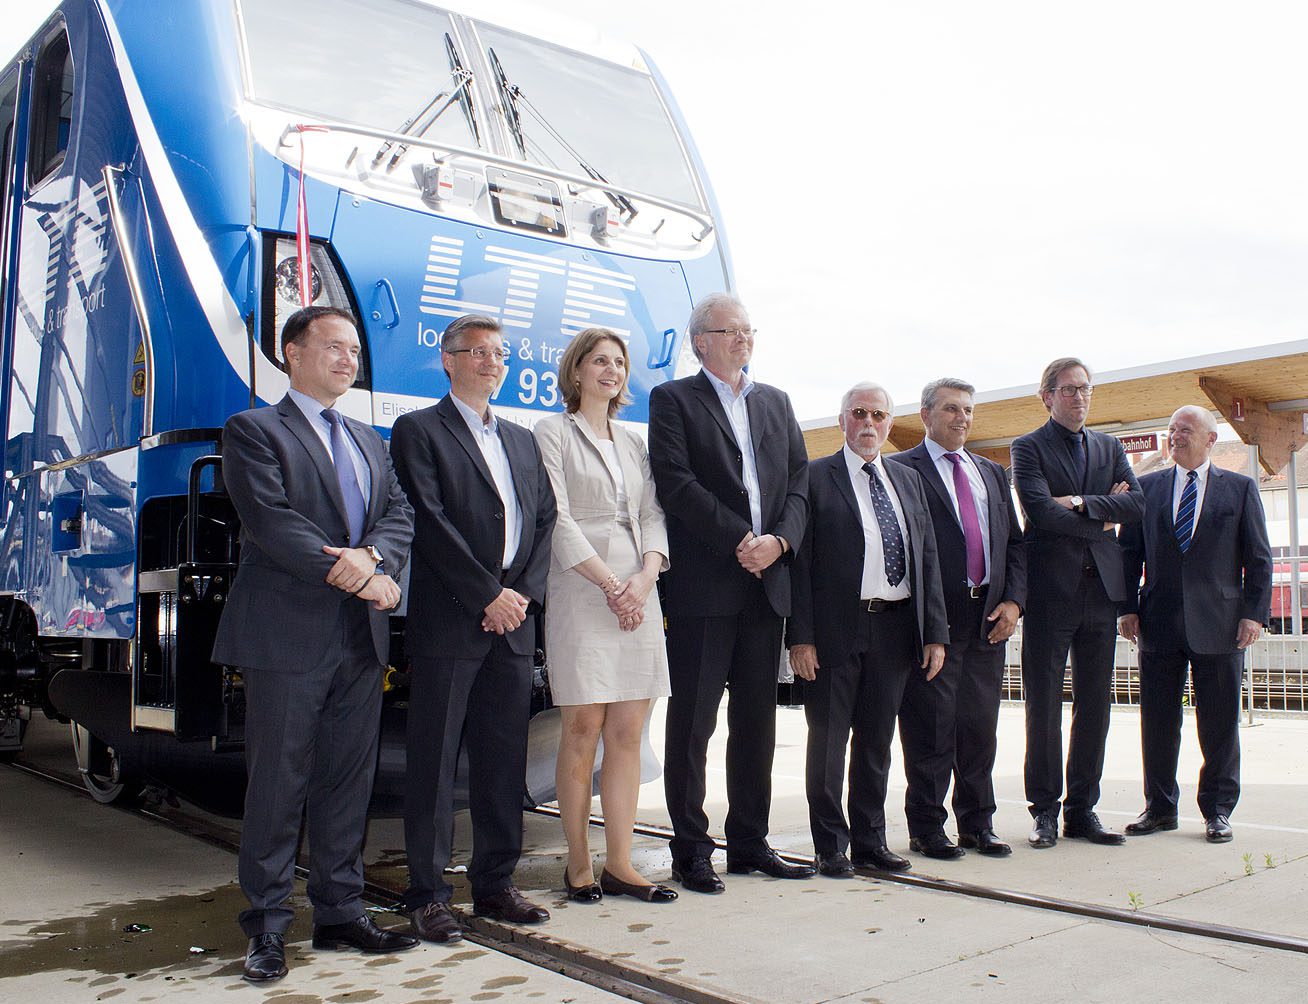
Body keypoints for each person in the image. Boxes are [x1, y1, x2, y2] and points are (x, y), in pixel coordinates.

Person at [212, 306, 417, 983]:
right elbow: (271, 519)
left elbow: (397, 513)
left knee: (344, 784)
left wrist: (375, 561)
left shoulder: (367, 437)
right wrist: (355, 573)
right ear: (293, 352)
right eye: (334, 345)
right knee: (279, 784)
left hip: (361, 641)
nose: (348, 358)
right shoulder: (253, 429)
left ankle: (339, 914)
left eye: (355, 348)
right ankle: (268, 928)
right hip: (286, 637)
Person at [391, 314, 557, 943]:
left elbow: (544, 520)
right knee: (433, 763)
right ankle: (427, 893)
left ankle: (495, 883)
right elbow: (428, 522)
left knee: (500, 759)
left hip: (512, 625)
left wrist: (519, 597)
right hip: (453, 621)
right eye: (477, 352)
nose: (491, 362)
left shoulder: (521, 439)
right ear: (448, 360)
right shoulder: (418, 430)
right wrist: (487, 594)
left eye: (499, 353)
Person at [648, 292, 814, 893]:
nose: (743, 339)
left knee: (756, 724)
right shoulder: (672, 400)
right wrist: (740, 537)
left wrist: (780, 544)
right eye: (730, 330)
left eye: (748, 330)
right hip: (705, 586)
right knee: (692, 724)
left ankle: (749, 842)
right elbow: (675, 481)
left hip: (767, 586)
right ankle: (690, 849)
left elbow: (799, 481)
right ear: (700, 342)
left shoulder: (776, 402)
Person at [533, 328, 677, 904]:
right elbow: (558, 519)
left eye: (619, 362)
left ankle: (620, 862)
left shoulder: (633, 441)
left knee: (627, 730)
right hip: (581, 588)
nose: (611, 370)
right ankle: (577, 861)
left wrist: (644, 578)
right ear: (576, 371)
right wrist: (613, 583)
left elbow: (652, 513)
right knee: (583, 727)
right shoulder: (551, 433)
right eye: (599, 361)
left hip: (639, 593)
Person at [789, 382, 948, 877]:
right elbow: (800, 565)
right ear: (842, 420)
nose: (869, 423)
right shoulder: (814, 478)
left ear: (888, 423)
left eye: (879, 415)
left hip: (897, 630)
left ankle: (870, 842)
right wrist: (801, 636)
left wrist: (934, 632)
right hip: (836, 630)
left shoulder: (907, 479)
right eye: (859, 413)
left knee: (877, 742)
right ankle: (830, 845)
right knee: (829, 743)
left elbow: (926, 558)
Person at [1118, 406, 1272, 843]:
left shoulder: (1240, 489)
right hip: (1158, 621)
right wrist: (1126, 607)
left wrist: (1253, 614)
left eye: (1185, 430)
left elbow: (1259, 558)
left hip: (1222, 624)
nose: (1175, 435)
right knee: (1158, 723)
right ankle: (1160, 808)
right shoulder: (1145, 488)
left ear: (1209, 439)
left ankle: (1218, 810)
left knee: (1220, 723)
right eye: (1171, 430)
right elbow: (1129, 553)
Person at [888, 378, 1026, 859]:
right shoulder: (901, 470)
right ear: (925, 415)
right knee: (931, 729)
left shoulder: (991, 472)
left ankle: (977, 824)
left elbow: (1014, 544)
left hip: (987, 618)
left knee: (979, 728)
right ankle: (927, 828)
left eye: (967, 409)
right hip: (934, 621)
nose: (962, 418)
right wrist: (929, 624)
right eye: (951, 409)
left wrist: (1013, 602)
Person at [1010, 357, 1144, 849]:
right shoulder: (1027, 447)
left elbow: (1139, 504)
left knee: (1095, 706)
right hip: (1049, 596)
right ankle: (1044, 810)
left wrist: (1082, 503)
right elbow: (1041, 513)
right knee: (1042, 706)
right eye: (1068, 390)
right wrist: (1105, 509)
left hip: (1100, 596)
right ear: (1047, 396)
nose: (1080, 397)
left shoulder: (1110, 446)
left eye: (1085, 389)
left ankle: (1082, 810)